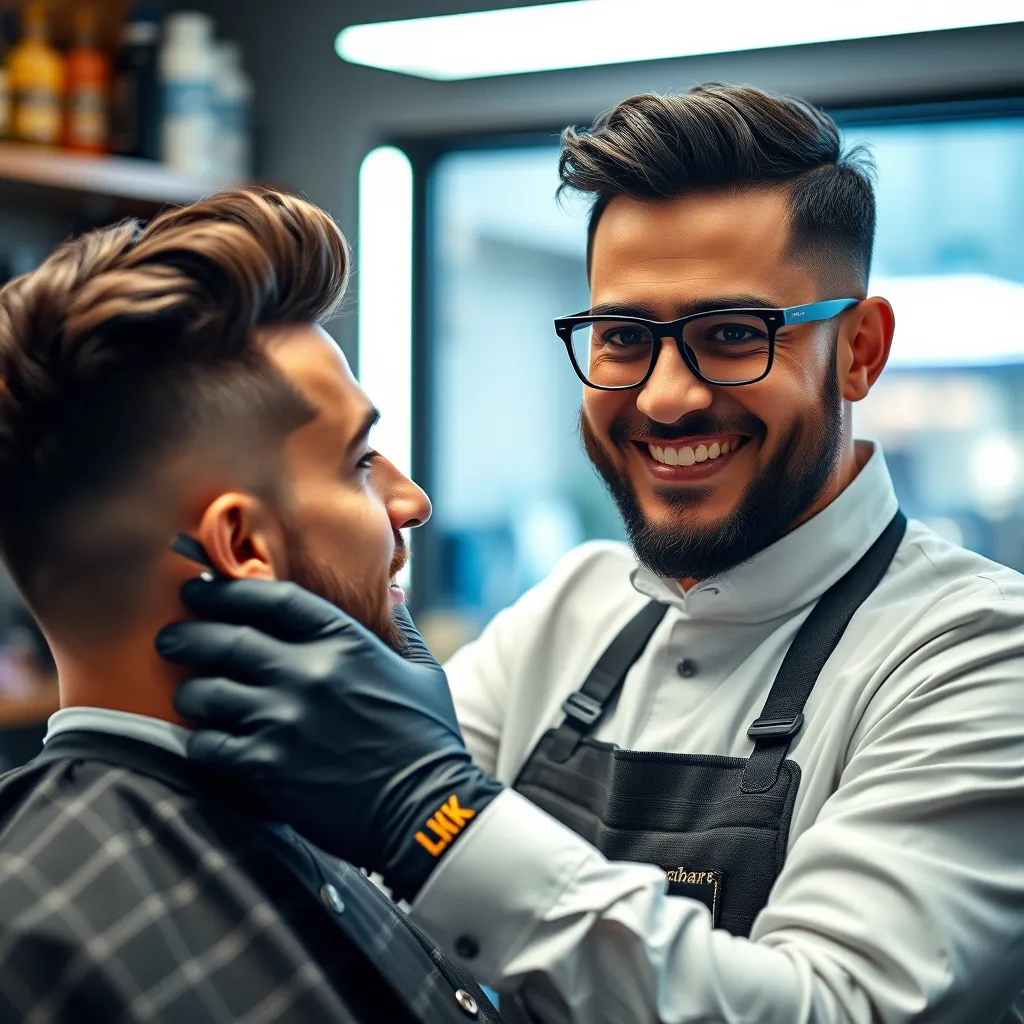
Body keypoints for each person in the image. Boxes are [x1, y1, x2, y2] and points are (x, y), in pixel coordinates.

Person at [157, 86, 1024, 1023]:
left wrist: (438, 818)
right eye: (623, 338)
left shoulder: (976, 657)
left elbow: (829, 1008)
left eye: (731, 335)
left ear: (859, 351)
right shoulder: (574, 610)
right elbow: (373, 889)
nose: (665, 398)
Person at [0, 188, 500, 1023]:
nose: (411, 502)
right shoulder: (38, 945)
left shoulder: (334, 819)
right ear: (242, 548)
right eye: (359, 463)